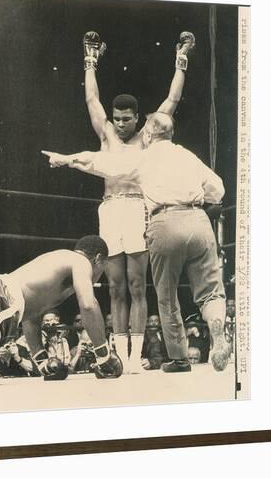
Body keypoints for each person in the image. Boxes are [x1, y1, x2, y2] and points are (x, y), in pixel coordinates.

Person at [41, 112, 229, 373]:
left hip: (165, 220)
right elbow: (218, 189)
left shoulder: (144, 158)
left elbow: (101, 163)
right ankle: (217, 324)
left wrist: (67, 160)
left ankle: (179, 358)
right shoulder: (188, 156)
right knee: (210, 291)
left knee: (166, 296)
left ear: (149, 134)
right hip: (198, 219)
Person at [80, 30, 195, 373]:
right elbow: (91, 98)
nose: (120, 124)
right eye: (116, 119)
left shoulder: (148, 135)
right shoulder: (106, 134)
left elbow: (172, 100)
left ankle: (135, 358)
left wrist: (182, 58)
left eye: (126, 119)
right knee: (115, 287)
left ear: (137, 118)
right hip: (110, 210)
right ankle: (118, 355)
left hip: (136, 208)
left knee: (136, 284)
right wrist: (89, 61)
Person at [0, 235, 123, 379]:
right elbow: (88, 306)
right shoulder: (81, 262)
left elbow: (30, 315)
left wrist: (41, 360)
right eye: (103, 269)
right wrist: (104, 356)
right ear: (97, 259)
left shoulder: (59, 264)